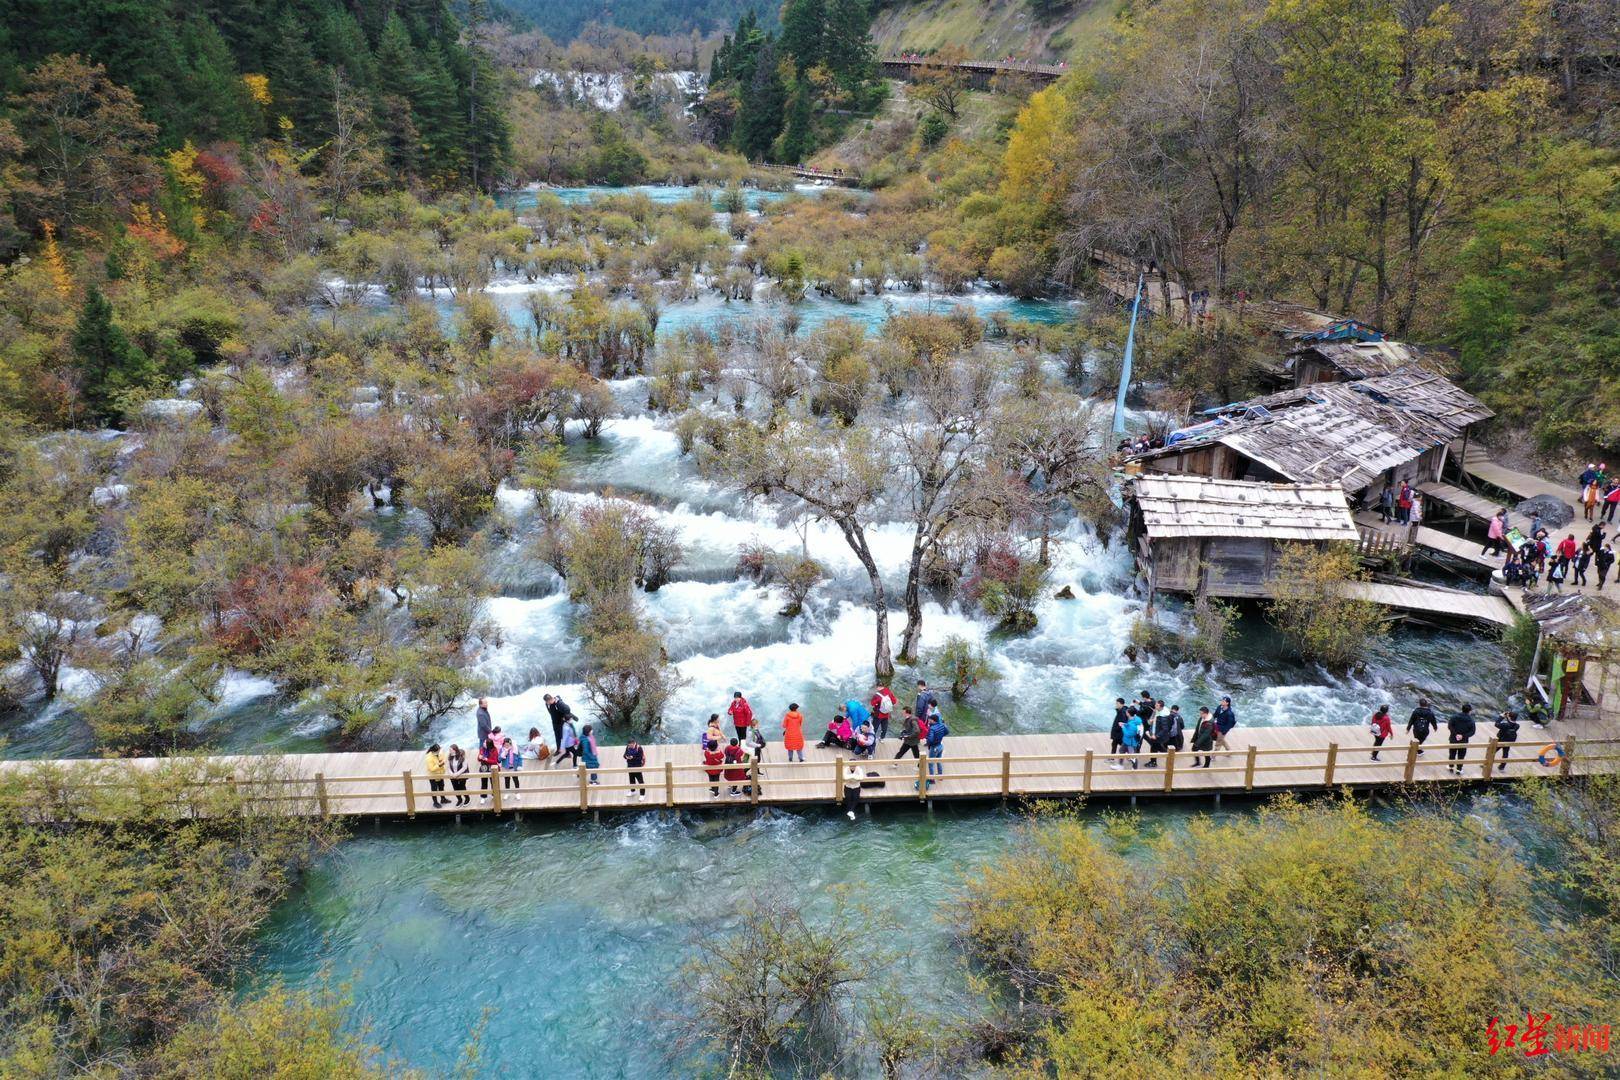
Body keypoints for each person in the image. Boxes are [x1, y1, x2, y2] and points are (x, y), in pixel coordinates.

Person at [1446, 704, 1475, 774]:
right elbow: (1472, 732)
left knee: (1452, 753)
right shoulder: (1471, 721)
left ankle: (1451, 766)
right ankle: (1459, 769)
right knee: (1461, 755)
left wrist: (1456, 734)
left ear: (1461, 709)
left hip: (1453, 738)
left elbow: (1450, 726)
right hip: (1464, 740)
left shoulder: (1454, 717)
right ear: (1470, 711)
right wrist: (1463, 736)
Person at [925, 710, 948, 783]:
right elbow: (947, 732)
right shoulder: (942, 725)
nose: (929, 721)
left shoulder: (932, 729)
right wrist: (940, 736)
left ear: (933, 720)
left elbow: (930, 740)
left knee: (931, 763)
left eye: (930, 720)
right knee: (938, 761)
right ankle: (940, 776)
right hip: (940, 746)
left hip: (934, 747)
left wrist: (927, 741)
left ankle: (932, 780)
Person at [500, 737, 523, 801]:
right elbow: (499, 759)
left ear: (510, 744)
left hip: (513, 767)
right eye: (505, 745)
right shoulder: (502, 749)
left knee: (515, 780)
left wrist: (519, 765)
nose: (506, 746)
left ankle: (517, 793)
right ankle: (507, 793)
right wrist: (504, 753)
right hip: (506, 768)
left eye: (508, 745)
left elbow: (520, 758)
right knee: (507, 780)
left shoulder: (515, 749)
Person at [425, 743, 447, 808]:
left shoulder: (439, 753)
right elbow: (431, 769)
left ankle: (443, 799)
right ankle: (435, 802)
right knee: (434, 789)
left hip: (440, 774)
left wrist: (442, 761)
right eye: (438, 751)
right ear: (433, 751)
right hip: (433, 776)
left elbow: (443, 758)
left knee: (442, 787)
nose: (439, 751)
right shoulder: (429, 758)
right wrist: (439, 765)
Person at [477, 737, 499, 803]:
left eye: (484, 743)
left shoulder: (494, 750)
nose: (483, 743)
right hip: (484, 767)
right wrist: (480, 757)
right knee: (484, 782)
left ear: (488, 744)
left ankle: (494, 795)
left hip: (492, 768)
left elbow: (495, 761)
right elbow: (478, 759)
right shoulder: (482, 749)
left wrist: (486, 759)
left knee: (493, 782)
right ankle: (483, 796)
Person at [1109, 698, 1128, 767]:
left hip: (1119, 733)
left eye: (1117, 704)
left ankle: (1130, 755)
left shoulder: (1122, 712)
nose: (1116, 705)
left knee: (1120, 746)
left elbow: (1122, 723)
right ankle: (1112, 758)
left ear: (1121, 704)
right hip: (1118, 733)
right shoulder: (1122, 710)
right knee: (1114, 744)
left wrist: (1116, 729)